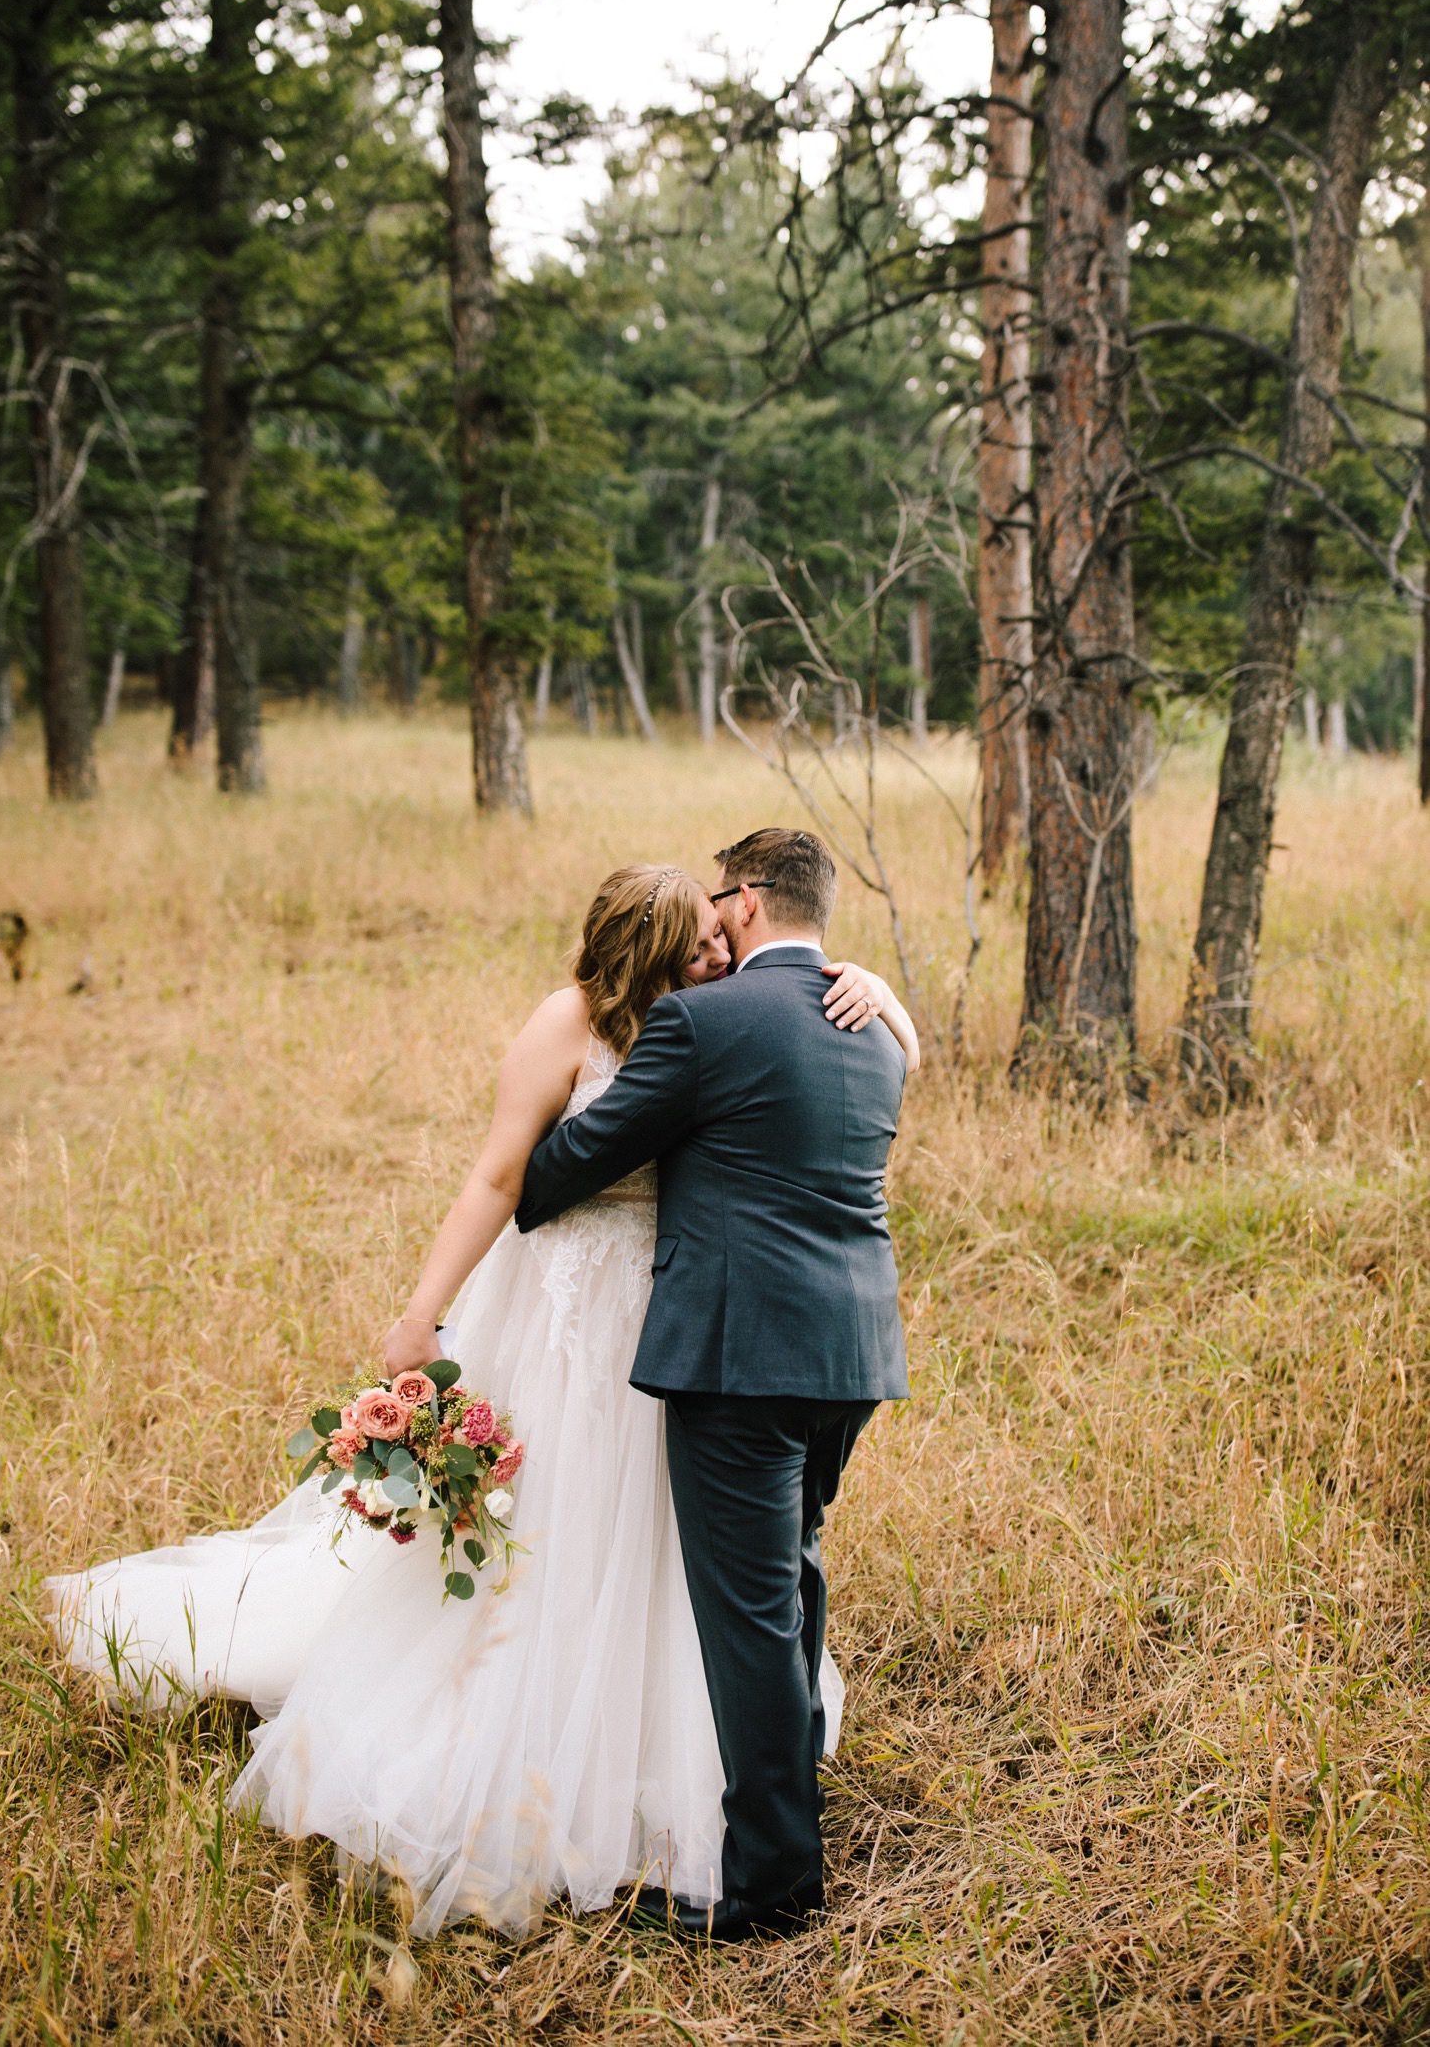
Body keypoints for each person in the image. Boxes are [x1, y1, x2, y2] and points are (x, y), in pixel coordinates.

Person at [47, 855, 917, 1939]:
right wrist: (423, 1314)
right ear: (653, 946)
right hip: (578, 1305)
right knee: (561, 1528)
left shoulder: (722, 1014)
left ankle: (689, 1776)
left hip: (687, 1319)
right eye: (696, 938)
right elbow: (506, 1178)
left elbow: (797, 1039)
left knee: (673, 1548)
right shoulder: (579, 1023)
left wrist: (878, 992)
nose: (717, 948)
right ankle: (539, 1748)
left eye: (721, 930)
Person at [515, 827, 910, 1942]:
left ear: (743, 901)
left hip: (740, 1355)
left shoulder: (700, 1020)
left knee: (745, 1616)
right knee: (791, 1579)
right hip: (854, 1354)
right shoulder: (874, 1025)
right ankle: (793, 1807)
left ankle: (776, 1886)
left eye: (718, 902)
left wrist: (539, 1153)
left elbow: (567, 1169)